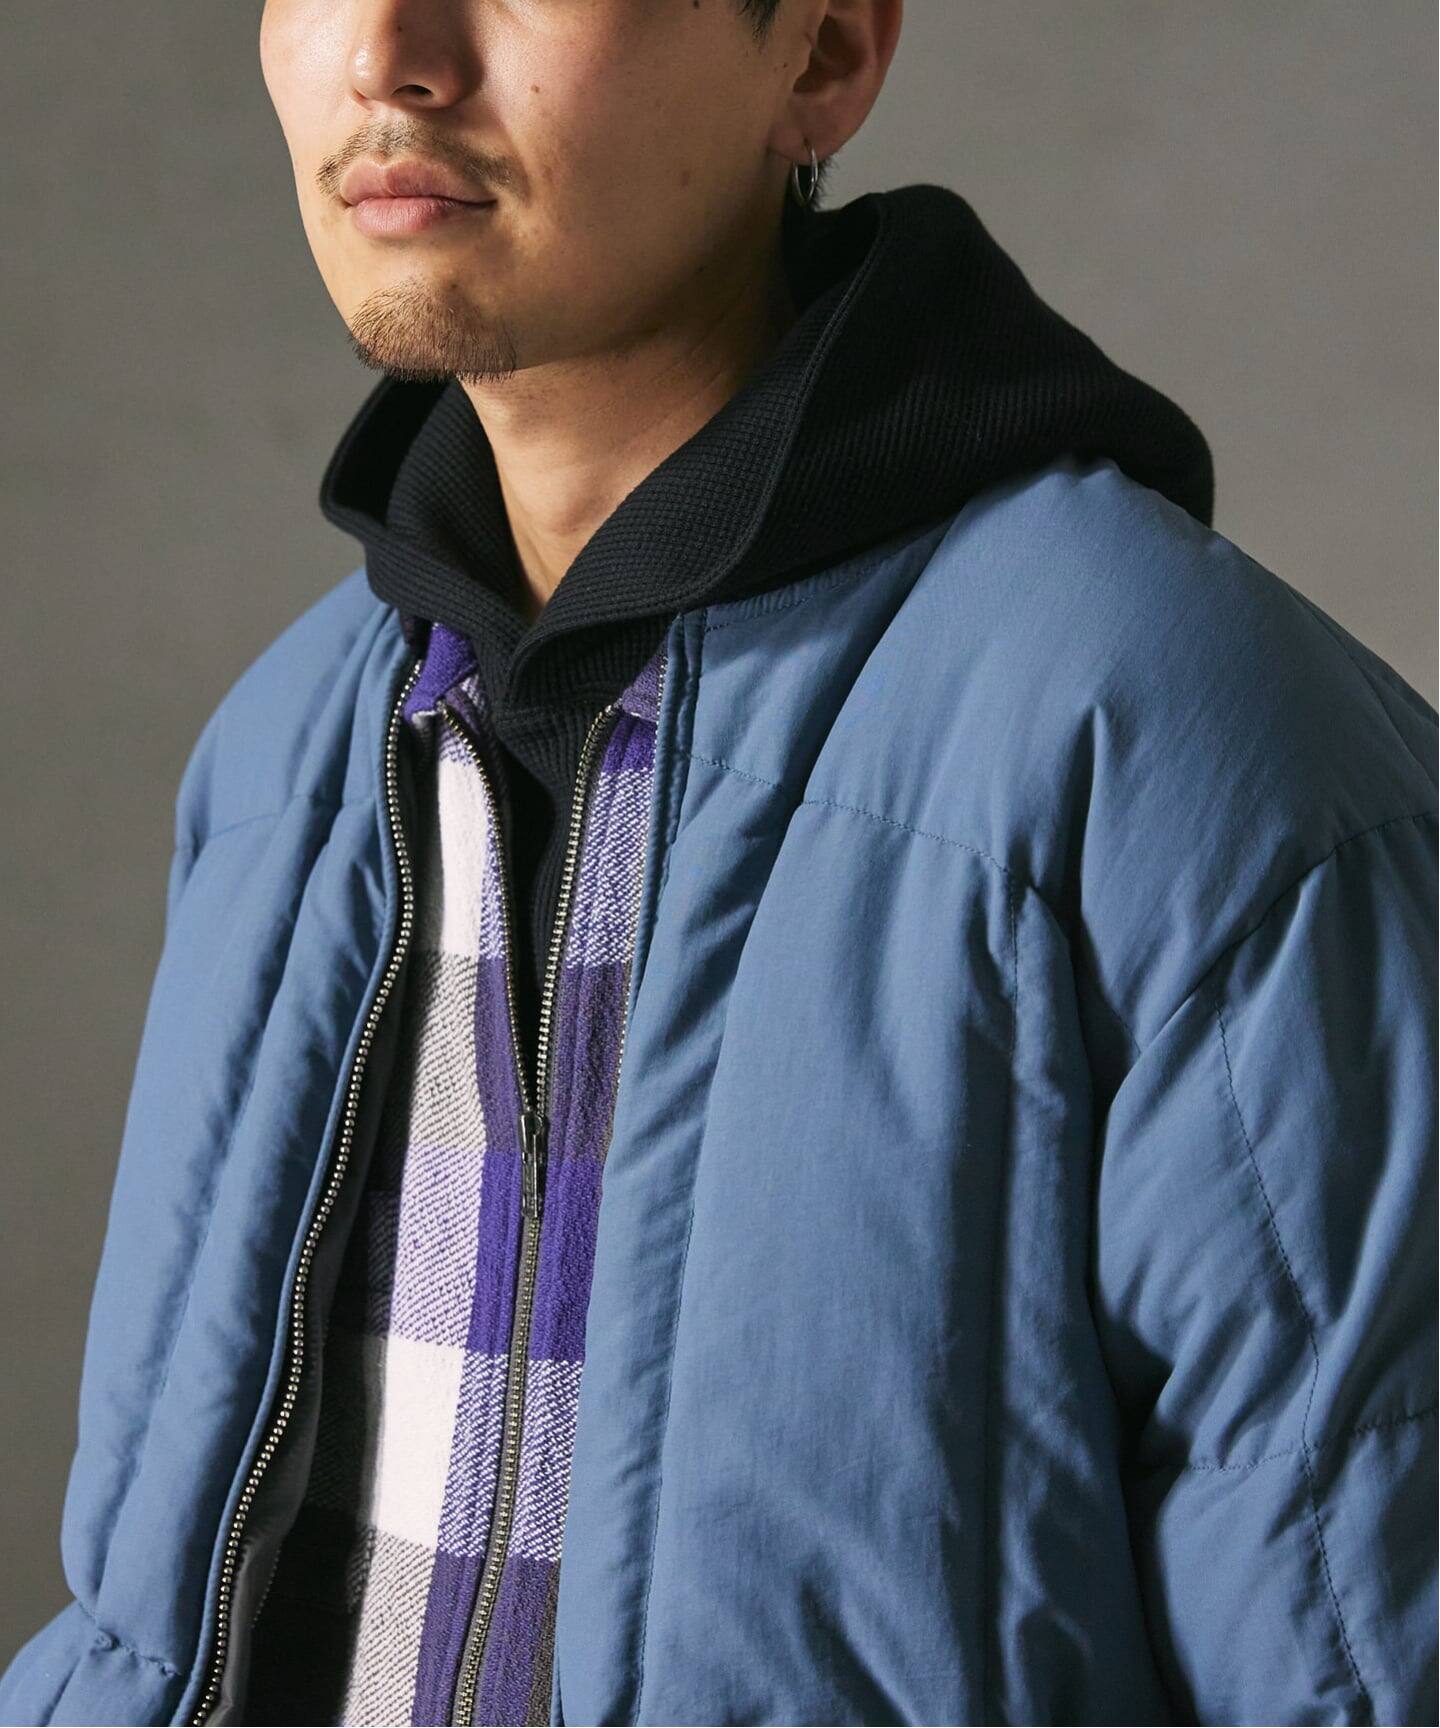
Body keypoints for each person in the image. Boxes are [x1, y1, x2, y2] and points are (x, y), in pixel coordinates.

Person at [3, 2, 1436, 1724]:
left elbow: (1359, 1663)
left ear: (821, 54)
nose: (386, 52)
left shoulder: (1175, 741)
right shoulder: (284, 760)